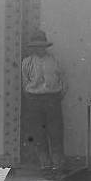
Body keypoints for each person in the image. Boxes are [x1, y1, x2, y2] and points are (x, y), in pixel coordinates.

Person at [21, 30, 67, 170]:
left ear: (45, 47)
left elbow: (63, 82)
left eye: (42, 46)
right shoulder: (27, 62)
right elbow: (25, 83)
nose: (39, 49)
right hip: (34, 101)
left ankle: (58, 165)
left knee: (56, 132)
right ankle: (45, 164)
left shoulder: (55, 61)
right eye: (36, 46)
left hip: (52, 100)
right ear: (33, 48)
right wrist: (33, 95)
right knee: (38, 134)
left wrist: (55, 96)